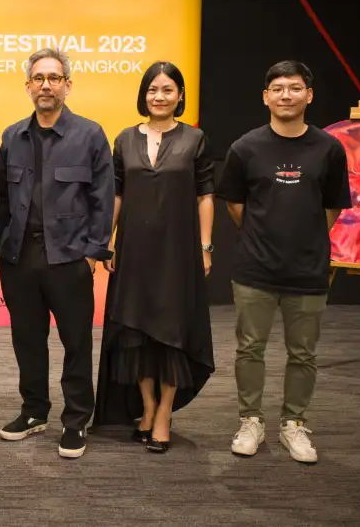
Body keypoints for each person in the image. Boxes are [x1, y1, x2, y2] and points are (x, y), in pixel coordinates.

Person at [218, 60, 350, 464]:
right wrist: (264, 237)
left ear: (308, 95)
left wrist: (304, 238)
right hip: (254, 269)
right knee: (249, 349)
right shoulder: (244, 148)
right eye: (277, 89)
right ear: (266, 97)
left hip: (308, 269)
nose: (286, 95)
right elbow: (235, 205)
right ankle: (250, 421)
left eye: (294, 88)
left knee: (303, 353)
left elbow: (332, 207)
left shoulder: (329, 149)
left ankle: (294, 423)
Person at [0, 48, 113, 459]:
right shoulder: (12, 136)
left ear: (67, 85)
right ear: (28, 86)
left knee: (76, 341)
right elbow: (1, 199)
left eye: (54, 78)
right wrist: (0, 243)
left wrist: (93, 253)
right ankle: (34, 411)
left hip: (69, 258)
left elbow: (103, 199)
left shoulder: (90, 134)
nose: (46, 85)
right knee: (27, 339)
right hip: (19, 257)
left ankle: (76, 418)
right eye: (39, 78)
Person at [93, 61, 216, 453]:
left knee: (172, 334)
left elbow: (205, 195)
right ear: (143, 95)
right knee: (136, 334)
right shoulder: (125, 139)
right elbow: (116, 194)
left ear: (179, 96)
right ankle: (147, 406)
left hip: (178, 253)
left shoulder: (195, 139)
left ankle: (165, 412)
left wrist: (205, 247)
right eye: (152, 90)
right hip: (134, 251)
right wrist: (107, 241)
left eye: (167, 90)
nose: (159, 97)